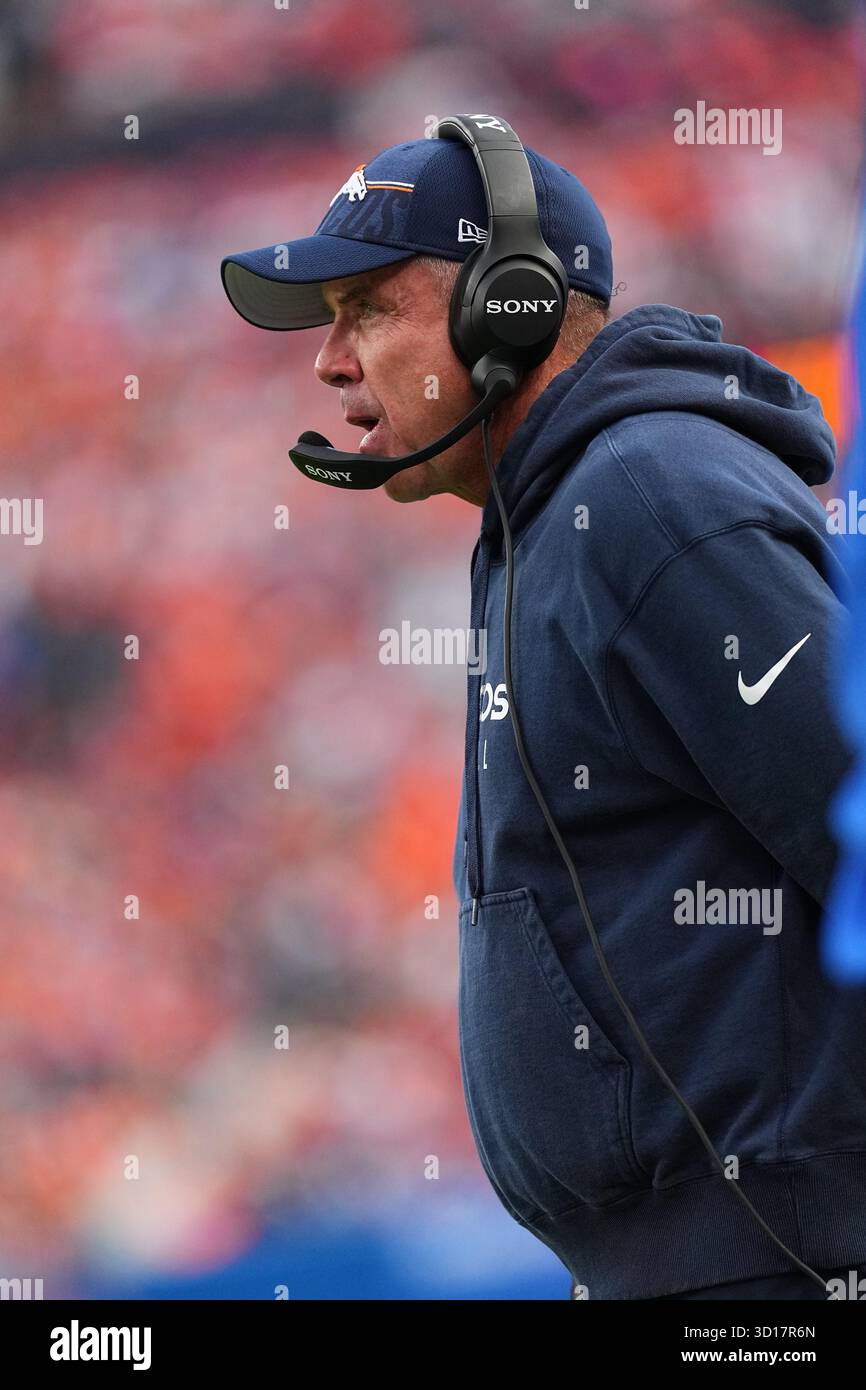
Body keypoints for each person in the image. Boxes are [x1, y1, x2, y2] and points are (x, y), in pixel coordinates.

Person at [221, 131, 866, 1300]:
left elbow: (852, 817)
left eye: (363, 307)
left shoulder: (644, 494)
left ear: (507, 306)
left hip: (775, 1271)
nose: (327, 363)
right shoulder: (551, 512)